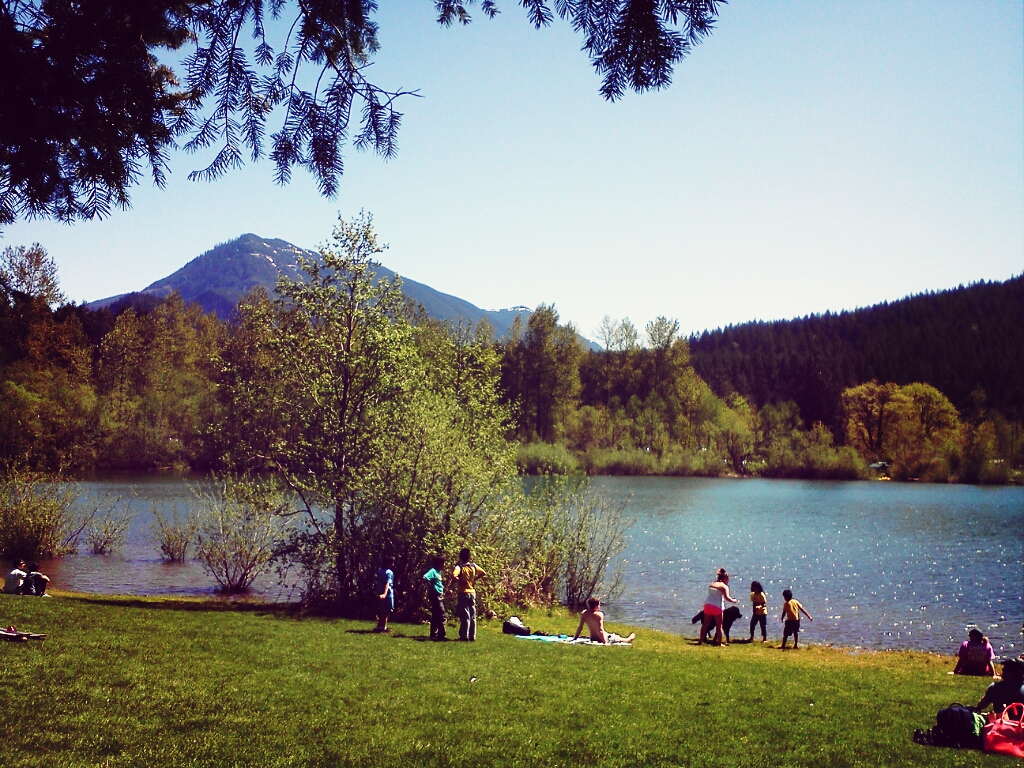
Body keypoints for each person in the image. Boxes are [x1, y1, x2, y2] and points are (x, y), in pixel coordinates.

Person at [452, 547, 486, 641]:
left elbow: (454, 575)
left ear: (460, 557)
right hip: (472, 592)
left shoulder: (459, 567)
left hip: (463, 592)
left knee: (465, 615)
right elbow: (483, 572)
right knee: (472, 615)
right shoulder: (473, 566)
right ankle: (472, 636)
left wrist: (460, 581)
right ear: (469, 557)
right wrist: (474, 579)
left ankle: (464, 636)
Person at [699, 568, 738, 646]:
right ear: (725, 578)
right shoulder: (724, 586)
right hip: (717, 607)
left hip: (707, 605)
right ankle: (719, 643)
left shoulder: (712, 584)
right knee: (719, 626)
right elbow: (727, 598)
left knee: (705, 624)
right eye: (728, 579)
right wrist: (734, 600)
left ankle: (700, 641)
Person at [423, 555, 446, 641]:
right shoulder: (432, 571)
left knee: (436, 615)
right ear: (439, 564)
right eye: (443, 563)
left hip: (439, 595)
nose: (444, 565)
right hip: (435, 596)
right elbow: (424, 578)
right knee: (442, 614)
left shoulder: (438, 572)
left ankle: (433, 633)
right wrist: (431, 587)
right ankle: (441, 635)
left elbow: (438, 584)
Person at [374, 556, 395, 633]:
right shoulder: (389, 572)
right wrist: (385, 593)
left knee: (384, 610)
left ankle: (383, 627)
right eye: (392, 563)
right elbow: (387, 583)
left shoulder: (380, 570)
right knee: (388, 610)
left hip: (380, 592)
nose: (393, 564)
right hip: (388, 594)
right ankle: (379, 627)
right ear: (388, 563)